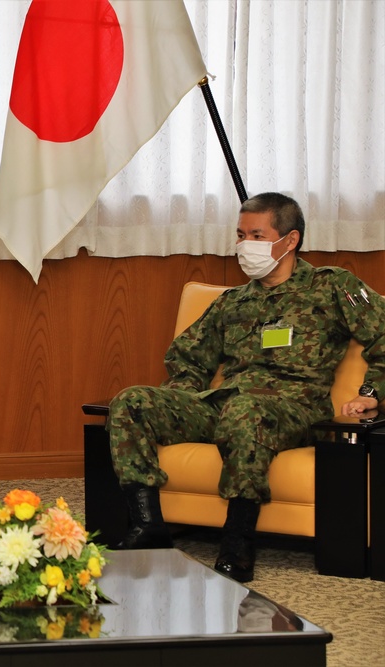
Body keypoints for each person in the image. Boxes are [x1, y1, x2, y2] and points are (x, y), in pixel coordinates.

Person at [107, 192, 384, 583]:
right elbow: (186, 356)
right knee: (131, 401)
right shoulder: (232, 301)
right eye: (240, 235)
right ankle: (148, 526)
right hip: (226, 403)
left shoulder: (330, 287)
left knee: (246, 411)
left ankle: (237, 540)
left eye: (256, 235)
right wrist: (183, 396)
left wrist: (370, 394)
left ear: (290, 240)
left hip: (295, 407)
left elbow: (383, 333)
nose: (244, 246)